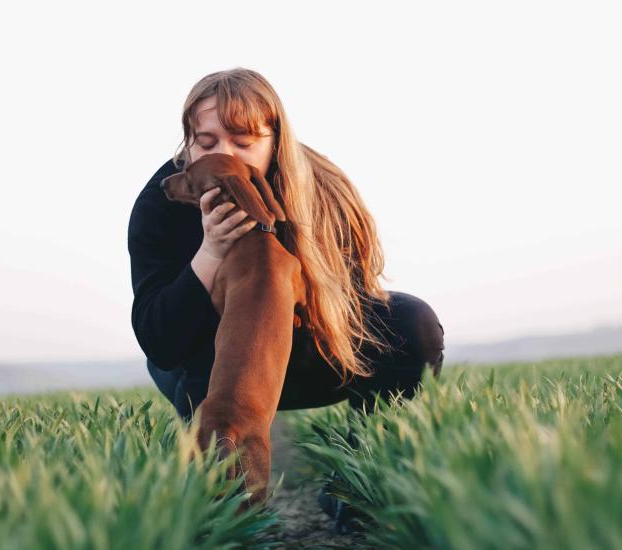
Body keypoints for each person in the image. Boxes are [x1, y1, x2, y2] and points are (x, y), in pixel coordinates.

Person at [127, 67, 445, 530]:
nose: (225, 154)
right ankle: (228, 508)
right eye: (207, 140)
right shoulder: (163, 202)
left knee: (412, 323)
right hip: (201, 366)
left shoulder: (321, 187)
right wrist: (210, 254)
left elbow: (353, 298)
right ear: (187, 142)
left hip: (314, 345)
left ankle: (361, 477)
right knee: (205, 337)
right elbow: (160, 342)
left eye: (243, 140)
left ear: (275, 140)